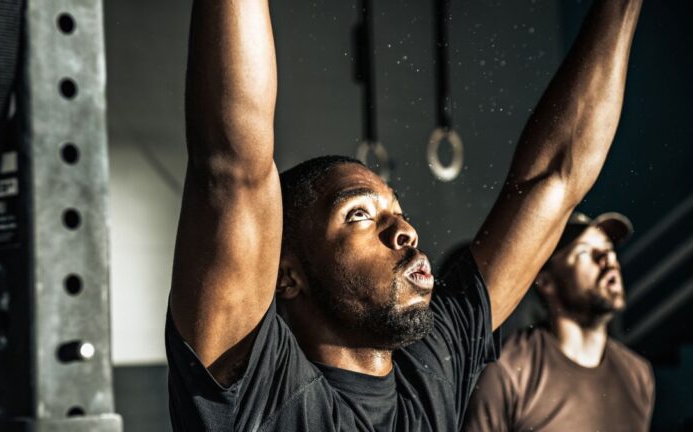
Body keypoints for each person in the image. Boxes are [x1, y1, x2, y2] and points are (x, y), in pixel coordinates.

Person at [165, 0, 643, 430]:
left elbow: (555, 180)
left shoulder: (433, 365)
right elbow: (233, 168)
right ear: (286, 276)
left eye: (399, 211)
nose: (405, 232)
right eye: (359, 215)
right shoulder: (254, 391)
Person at [462, 212, 655, 431]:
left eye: (608, 249)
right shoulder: (510, 369)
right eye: (584, 252)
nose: (608, 259)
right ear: (546, 281)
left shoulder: (638, 374)